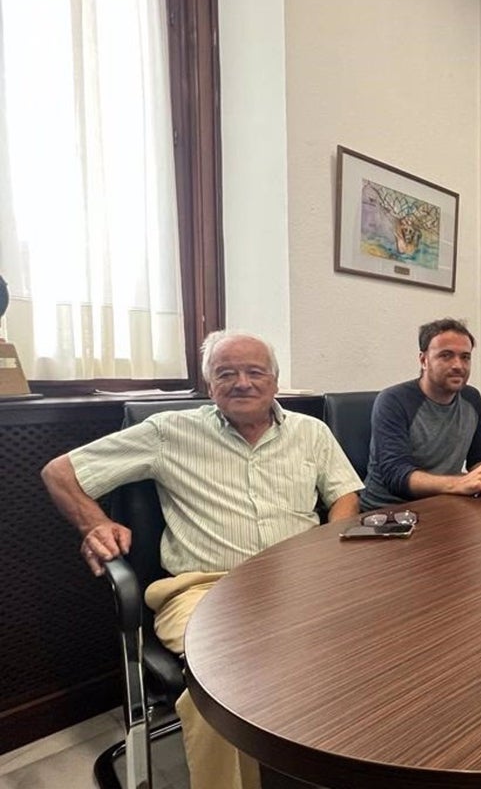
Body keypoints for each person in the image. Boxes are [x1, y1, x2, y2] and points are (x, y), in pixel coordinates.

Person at [41, 330, 362, 789]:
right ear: (209, 386)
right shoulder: (168, 432)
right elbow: (60, 472)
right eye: (226, 373)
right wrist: (94, 524)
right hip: (205, 590)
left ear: (274, 381)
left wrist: (329, 549)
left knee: (373, 646)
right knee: (223, 689)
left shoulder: (313, 433)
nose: (242, 383)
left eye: (255, 372)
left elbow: (344, 494)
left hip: (300, 580)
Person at [361, 318, 481, 508]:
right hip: (388, 513)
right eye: (446, 355)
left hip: (443, 503)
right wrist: (459, 483)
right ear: (423, 360)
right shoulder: (393, 401)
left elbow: (479, 458)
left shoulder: (472, 398)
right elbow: (397, 476)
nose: (458, 365)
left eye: (465, 357)